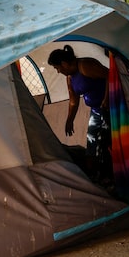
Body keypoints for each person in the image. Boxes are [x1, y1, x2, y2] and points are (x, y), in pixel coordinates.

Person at [47, 45, 112, 184]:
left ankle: (110, 175)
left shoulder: (85, 65)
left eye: (57, 68)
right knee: (92, 146)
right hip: (96, 110)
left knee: (106, 141)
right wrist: (69, 120)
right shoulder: (70, 78)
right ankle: (97, 177)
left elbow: (109, 75)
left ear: (64, 64)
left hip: (110, 108)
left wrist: (107, 99)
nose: (58, 72)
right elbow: (73, 101)